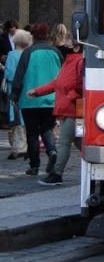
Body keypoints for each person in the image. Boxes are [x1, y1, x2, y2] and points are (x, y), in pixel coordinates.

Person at [28, 41, 84, 186]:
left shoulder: (77, 62)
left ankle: (57, 173)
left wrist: (70, 97)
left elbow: (80, 86)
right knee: (78, 141)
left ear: (76, 47)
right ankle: (97, 164)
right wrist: (38, 91)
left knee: (64, 142)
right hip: (70, 108)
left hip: (72, 109)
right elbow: (57, 83)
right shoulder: (69, 62)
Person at [10, 22, 62, 176]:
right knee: (47, 129)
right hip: (52, 98)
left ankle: (34, 166)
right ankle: (52, 151)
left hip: (29, 98)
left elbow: (19, 76)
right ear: (47, 36)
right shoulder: (55, 52)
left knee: (32, 133)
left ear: (33, 36)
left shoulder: (28, 52)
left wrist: (14, 95)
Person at [1, 28, 32, 159]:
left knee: (15, 117)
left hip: (13, 88)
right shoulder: (29, 54)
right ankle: (27, 145)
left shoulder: (12, 54)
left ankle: (18, 147)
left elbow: (9, 73)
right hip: (27, 89)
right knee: (25, 117)